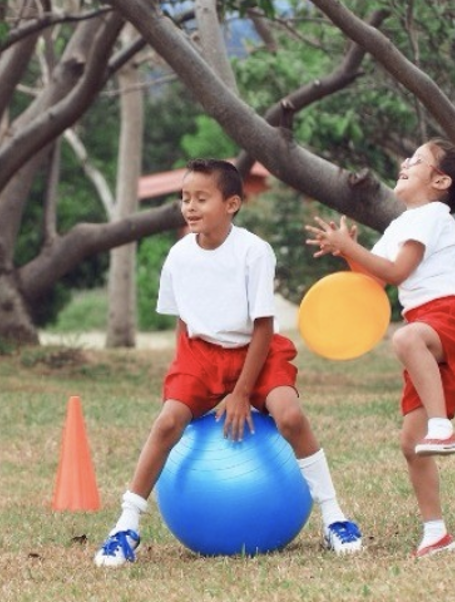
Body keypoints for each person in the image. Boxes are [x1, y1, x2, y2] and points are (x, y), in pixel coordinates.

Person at [93, 158, 363, 567]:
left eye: (202, 198)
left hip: (256, 350)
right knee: (167, 422)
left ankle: (334, 517)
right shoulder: (179, 255)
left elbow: (263, 326)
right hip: (200, 356)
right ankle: (125, 527)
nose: (190, 206)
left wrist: (240, 393)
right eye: (185, 198)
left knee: (289, 416)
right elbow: (183, 322)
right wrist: (184, 379)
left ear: (232, 203)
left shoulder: (254, 252)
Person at [305, 139, 455, 558]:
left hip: (449, 317)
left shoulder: (433, 216)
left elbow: (399, 271)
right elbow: (374, 278)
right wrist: (348, 251)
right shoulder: (402, 225)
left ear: (440, 181)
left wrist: (350, 248)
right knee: (411, 442)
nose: (404, 162)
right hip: (425, 326)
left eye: (416, 160)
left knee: (404, 338)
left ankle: (443, 426)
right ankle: (436, 533)